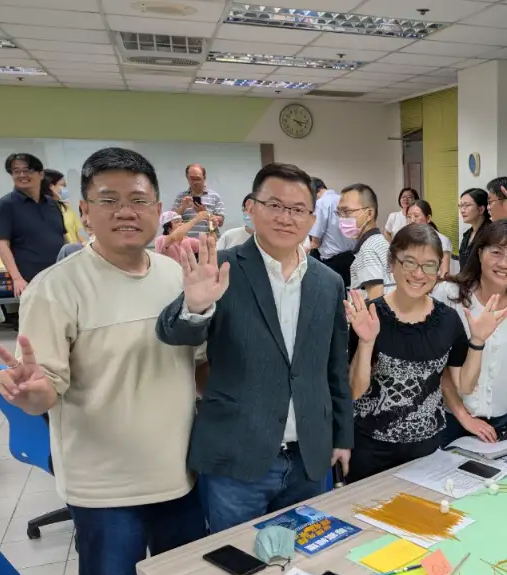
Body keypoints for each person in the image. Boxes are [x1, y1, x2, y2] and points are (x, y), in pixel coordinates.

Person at [0, 147, 205, 575]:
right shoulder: (56, 287)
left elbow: (198, 365)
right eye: (108, 200)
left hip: (180, 474)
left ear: (157, 211)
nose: (126, 211)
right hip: (105, 488)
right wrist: (33, 393)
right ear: (84, 212)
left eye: (138, 199)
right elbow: (45, 385)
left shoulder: (175, 276)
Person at [156, 163, 353, 533]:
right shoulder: (221, 269)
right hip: (237, 457)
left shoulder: (329, 283)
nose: (285, 217)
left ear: (312, 219)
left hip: (308, 455)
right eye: (274, 205)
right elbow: (173, 334)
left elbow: (333, 367)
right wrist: (195, 305)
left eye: (297, 209)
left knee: (303, 561)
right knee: (237, 565)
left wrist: (342, 437)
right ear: (251, 207)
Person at [345, 223, 507, 482]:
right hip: (371, 449)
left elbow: (464, 385)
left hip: (426, 450)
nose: (419, 274)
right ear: (392, 262)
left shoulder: (447, 320)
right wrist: (366, 343)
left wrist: (477, 341)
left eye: (429, 265)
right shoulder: (368, 315)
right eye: (409, 262)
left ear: (439, 268)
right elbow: (354, 391)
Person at [434, 220, 507, 445]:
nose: (504, 263)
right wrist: (464, 416)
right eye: (497, 252)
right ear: (480, 253)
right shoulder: (449, 296)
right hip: (451, 420)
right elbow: (438, 368)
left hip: (501, 421)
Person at [0, 153, 66, 296]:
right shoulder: (5, 205)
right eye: (16, 171)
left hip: (59, 278)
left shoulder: (52, 204)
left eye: (28, 170)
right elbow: (2, 245)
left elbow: (62, 237)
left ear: (41, 174)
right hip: (29, 281)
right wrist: (17, 279)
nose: (22, 175)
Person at [341, 183, 391, 299]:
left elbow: (375, 301)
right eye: (339, 213)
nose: (341, 218)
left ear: (369, 214)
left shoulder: (368, 250)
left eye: (347, 212)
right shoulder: (379, 241)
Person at [173, 163, 225, 238]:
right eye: (192, 178)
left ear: (204, 178)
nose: (195, 182)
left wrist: (205, 213)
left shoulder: (214, 196)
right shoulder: (180, 196)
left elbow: (220, 222)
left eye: (198, 179)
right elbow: (171, 220)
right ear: (187, 178)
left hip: (209, 242)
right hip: (186, 243)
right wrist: (183, 207)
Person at [309, 184, 355, 267]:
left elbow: (316, 241)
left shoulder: (321, 203)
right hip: (352, 257)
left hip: (333, 261)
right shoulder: (343, 200)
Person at [406, 199, 454, 275]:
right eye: (408, 217)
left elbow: (444, 274)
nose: (412, 220)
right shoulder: (408, 239)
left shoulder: (442, 240)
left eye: (416, 216)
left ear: (428, 218)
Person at [43, 169, 87, 245]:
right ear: (51, 186)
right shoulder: (39, 211)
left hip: (73, 253)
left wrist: (85, 245)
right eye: (63, 185)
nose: (65, 189)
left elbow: (76, 234)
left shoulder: (67, 208)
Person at [457, 188, 490, 268]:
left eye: (467, 205)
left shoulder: (490, 233)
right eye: (460, 206)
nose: (462, 210)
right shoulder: (468, 234)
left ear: (481, 209)